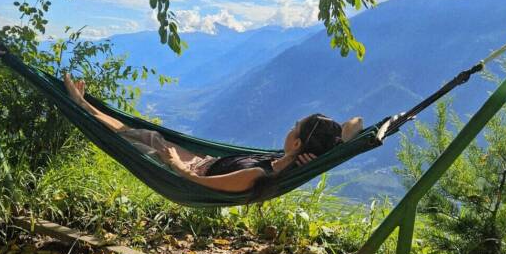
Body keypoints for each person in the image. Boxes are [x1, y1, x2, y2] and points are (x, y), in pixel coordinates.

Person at [63, 74, 369, 195]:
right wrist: (333, 145)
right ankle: (84, 104)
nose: (289, 128)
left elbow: (201, 184)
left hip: (184, 171)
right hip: (199, 159)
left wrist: (174, 163)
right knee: (137, 132)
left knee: (126, 139)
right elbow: (355, 124)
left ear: (298, 142)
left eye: (294, 127)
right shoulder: (283, 161)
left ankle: (79, 105)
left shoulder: (259, 174)